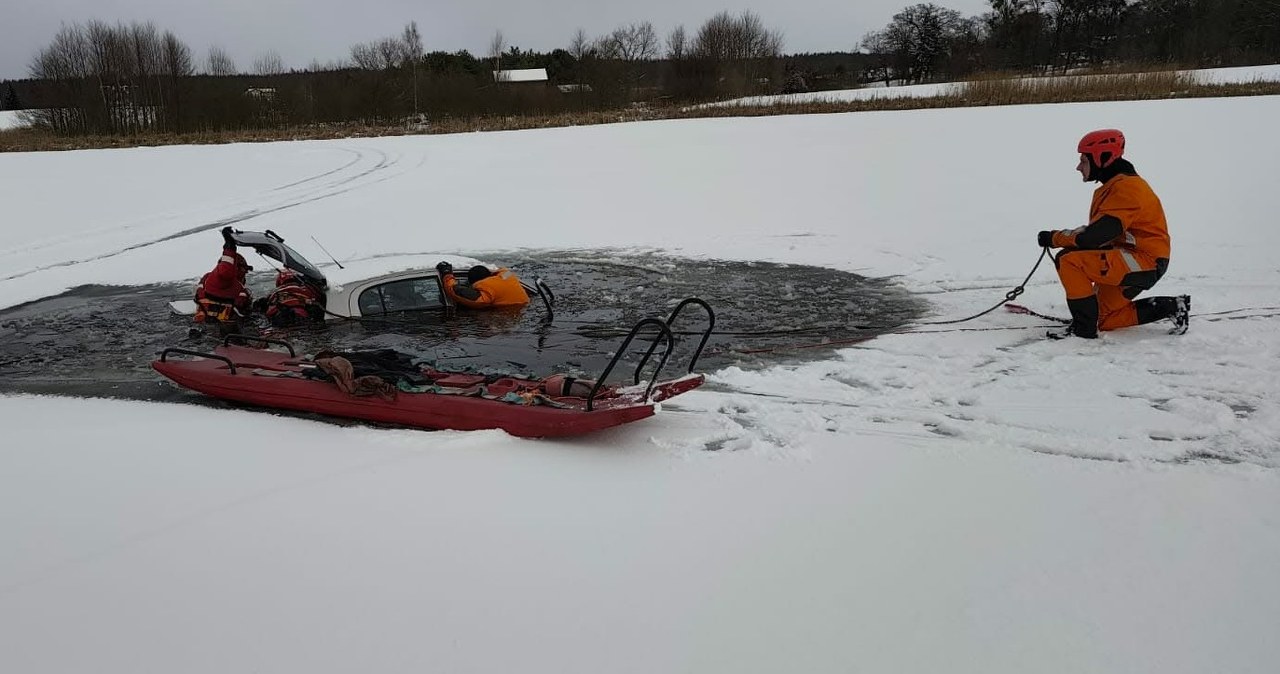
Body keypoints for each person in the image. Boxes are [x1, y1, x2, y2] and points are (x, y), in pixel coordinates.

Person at [1037, 129, 1190, 339]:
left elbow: (1094, 237)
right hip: (1133, 258)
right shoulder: (1116, 186)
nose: (1078, 167)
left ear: (1103, 158)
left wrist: (1054, 238)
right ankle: (1172, 306)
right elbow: (1097, 236)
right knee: (1104, 319)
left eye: (1083, 160)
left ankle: (1083, 330)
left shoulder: (1127, 189)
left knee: (1068, 260)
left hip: (1143, 261)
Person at [193, 226, 254, 336]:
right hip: (218, 332)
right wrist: (230, 247)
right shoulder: (223, 280)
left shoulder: (213, 280)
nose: (245, 274)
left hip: (212, 330)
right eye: (244, 270)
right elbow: (226, 271)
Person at [435, 261, 530, 309]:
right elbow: (502, 271)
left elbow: (454, 290)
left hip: (506, 314)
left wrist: (447, 274)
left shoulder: (486, 293)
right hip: (524, 309)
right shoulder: (507, 275)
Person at [257, 269, 325, 327]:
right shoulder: (306, 289)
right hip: (300, 313)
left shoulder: (275, 292)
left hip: (277, 314)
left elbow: (265, 304)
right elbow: (319, 298)